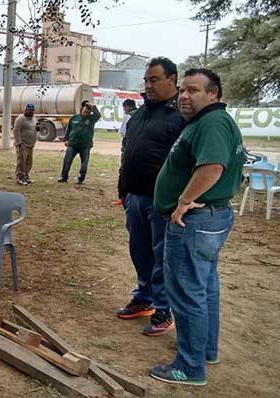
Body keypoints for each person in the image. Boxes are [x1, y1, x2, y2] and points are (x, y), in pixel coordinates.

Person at [150, 69, 243, 386]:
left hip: (195, 221)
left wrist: (183, 201)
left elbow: (213, 167)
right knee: (204, 288)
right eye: (183, 91)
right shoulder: (208, 122)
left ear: (213, 93)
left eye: (194, 90)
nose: (184, 96)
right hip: (209, 219)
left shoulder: (213, 122)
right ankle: (205, 351)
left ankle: (189, 367)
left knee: (188, 291)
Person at [116, 57, 186, 336]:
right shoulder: (138, 115)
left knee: (162, 258)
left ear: (172, 79)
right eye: (146, 80)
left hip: (162, 202)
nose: (148, 85)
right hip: (135, 197)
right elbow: (127, 153)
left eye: (154, 79)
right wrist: (124, 192)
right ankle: (143, 297)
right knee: (140, 252)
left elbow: (186, 162)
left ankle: (163, 310)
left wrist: (176, 200)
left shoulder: (181, 116)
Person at [58, 101, 101, 184]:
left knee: (84, 163)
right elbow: (68, 129)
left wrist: (93, 107)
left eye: (88, 112)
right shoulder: (74, 118)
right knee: (67, 160)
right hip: (72, 144)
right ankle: (64, 177)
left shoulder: (91, 119)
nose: (86, 114)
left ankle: (81, 179)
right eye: (84, 112)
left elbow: (98, 115)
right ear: (82, 110)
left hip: (85, 145)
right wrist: (66, 139)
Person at [113, 98, 140, 206]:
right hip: (140, 149)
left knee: (124, 172)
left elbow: (123, 133)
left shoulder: (129, 116)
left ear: (127, 107)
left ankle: (122, 197)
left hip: (129, 149)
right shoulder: (142, 113)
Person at [14, 103, 37, 185]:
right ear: (26, 110)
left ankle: (26, 176)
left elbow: (35, 128)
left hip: (31, 144)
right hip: (23, 144)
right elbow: (16, 130)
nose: (31, 112)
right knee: (21, 162)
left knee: (29, 162)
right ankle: (19, 177)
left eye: (32, 110)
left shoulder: (34, 118)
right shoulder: (21, 119)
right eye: (29, 110)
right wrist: (18, 142)